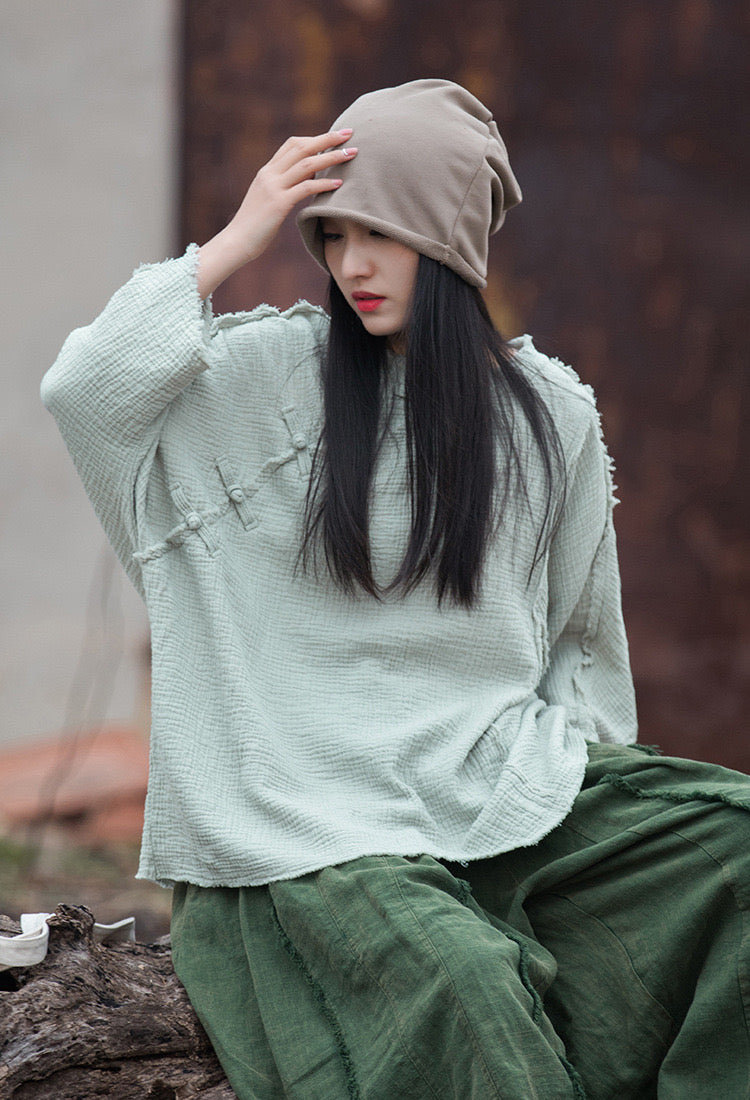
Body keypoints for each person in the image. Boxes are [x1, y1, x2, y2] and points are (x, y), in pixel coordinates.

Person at [41, 80, 750, 1099]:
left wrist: (579, 833)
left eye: (381, 232)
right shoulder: (253, 385)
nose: (351, 265)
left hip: (504, 791)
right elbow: (85, 392)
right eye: (331, 235)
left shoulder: (551, 416)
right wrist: (235, 238)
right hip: (304, 825)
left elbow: (580, 654)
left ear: (450, 237)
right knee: (463, 989)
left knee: (736, 847)